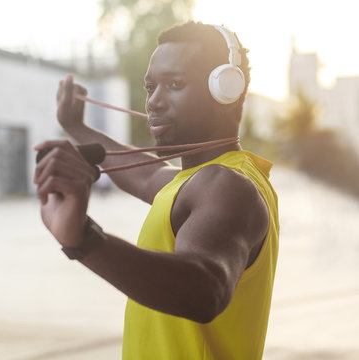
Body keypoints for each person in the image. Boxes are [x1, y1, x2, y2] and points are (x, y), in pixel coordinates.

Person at [33, 21, 279, 360]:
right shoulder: (203, 180)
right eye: (151, 87)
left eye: (175, 84)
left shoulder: (226, 185)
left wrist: (83, 238)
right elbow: (148, 176)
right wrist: (77, 127)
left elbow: (207, 289)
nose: (154, 102)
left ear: (227, 91)